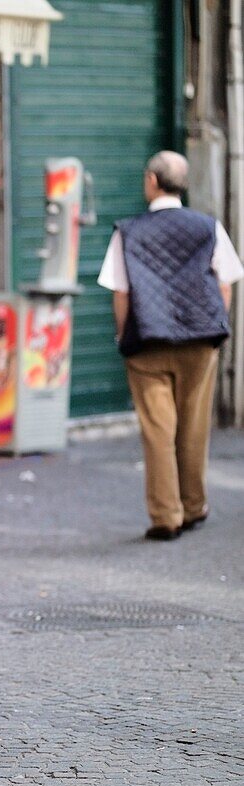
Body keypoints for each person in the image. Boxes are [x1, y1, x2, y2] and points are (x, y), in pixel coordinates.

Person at [97, 150, 242, 541]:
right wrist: (214, 325)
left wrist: (122, 334)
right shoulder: (208, 226)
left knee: (158, 431)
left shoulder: (128, 230)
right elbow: (225, 282)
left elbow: (121, 293)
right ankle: (195, 506)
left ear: (151, 180)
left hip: (148, 343)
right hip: (200, 343)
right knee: (194, 426)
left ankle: (166, 517)